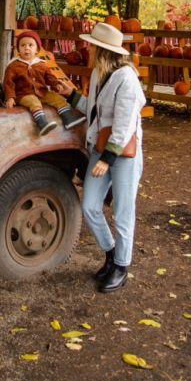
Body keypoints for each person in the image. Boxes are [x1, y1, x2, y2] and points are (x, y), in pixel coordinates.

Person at [55, 22, 145, 293]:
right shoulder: (98, 73)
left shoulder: (126, 79)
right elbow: (92, 110)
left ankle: (121, 265)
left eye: (93, 46)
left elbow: (125, 124)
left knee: (122, 210)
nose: (88, 49)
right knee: (90, 206)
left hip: (121, 154)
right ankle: (111, 252)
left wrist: (107, 159)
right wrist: (69, 94)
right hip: (100, 147)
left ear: (104, 51)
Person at [4, 30, 86, 135]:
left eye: (30, 45)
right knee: (34, 102)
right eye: (22, 45)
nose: (26, 48)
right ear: (18, 49)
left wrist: (56, 84)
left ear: (37, 49)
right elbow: (8, 83)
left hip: (42, 92)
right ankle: (42, 123)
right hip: (24, 94)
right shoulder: (13, 66)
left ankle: (68, 119)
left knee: (58, 98)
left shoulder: (41, 64)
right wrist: (10, 97)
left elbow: (50, 77)